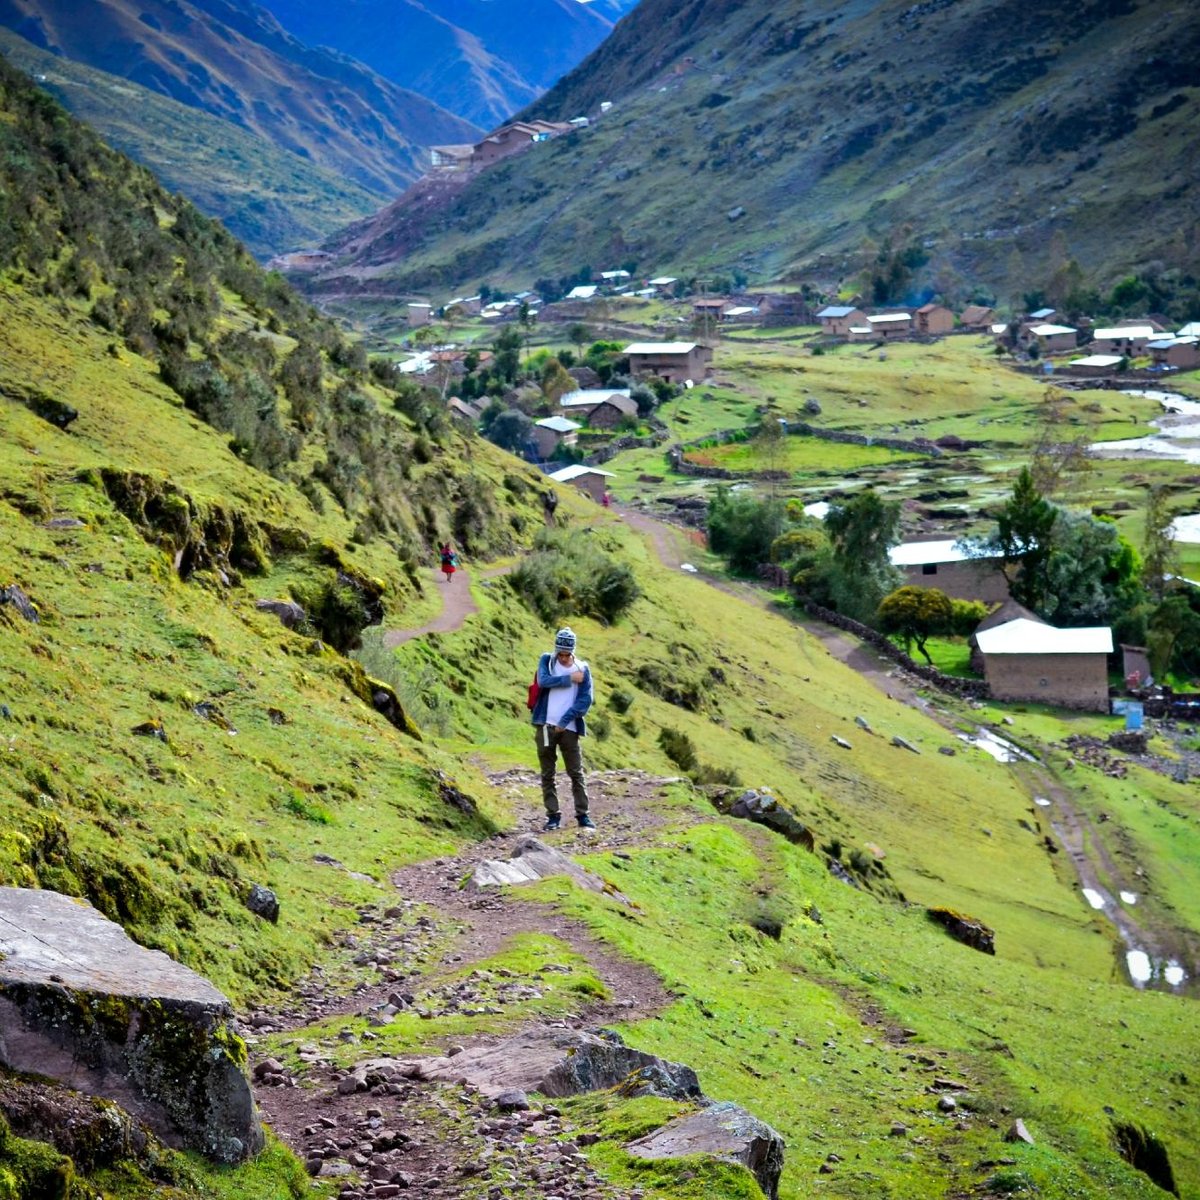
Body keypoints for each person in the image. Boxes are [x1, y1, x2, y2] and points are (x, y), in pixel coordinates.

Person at [529, 627, 594, 830]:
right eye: (561, 654)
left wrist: (564, 722)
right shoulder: (547, 660)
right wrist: (569, 679)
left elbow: (586, 700)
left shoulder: (583, 668)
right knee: (548, 773)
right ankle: (553, 816)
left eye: (567, 654)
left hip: (570, 729)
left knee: (576, 772)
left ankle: (583, 815)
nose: (564, 658)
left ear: (573, 651)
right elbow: (544, 681)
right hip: (545, 725)